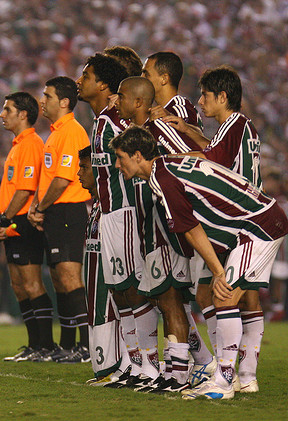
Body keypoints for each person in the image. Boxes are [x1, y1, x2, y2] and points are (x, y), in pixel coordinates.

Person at [111, 125, 288, 399]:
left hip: (258, 226)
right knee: (212, 295)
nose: (117, 164)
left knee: (225, 295)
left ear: (137, 155)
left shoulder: (163, 179)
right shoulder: (168, 166)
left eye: (120, 157)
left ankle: (225, 382)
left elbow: (191, 229)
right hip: (250, 224)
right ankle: (229, 376)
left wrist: (218, 271)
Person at [164, 65, 265, 379]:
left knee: (220, 293)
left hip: (238, 221)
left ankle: (231, 372)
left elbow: (212, 160)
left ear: (223, 97)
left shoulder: (234, 123)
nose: (201, 101)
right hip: (247, 219)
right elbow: (217, 151)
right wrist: (190, 131)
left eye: (206, 95)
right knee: (234, 295)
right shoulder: (237, 126)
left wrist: (170, 161)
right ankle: (242, 372)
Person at [115, 77, 214, 392]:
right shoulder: (137, 137)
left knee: (171, 299)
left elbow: (199, 158)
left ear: (139, 101)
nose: (117, 102)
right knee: (165, 299)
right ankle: (183, 368)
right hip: (149, 225)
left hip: (168, 228)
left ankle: (181, 373)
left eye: (122, 96)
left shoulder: (163, 130)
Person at [76, 53, 155, 386]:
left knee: (136, 292)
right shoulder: (101, 121)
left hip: (125, 214)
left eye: (86, 75)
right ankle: (131, 364)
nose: (80, 81)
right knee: (122, 293)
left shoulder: (113, 120)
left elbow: (139, 158)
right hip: (108, 214)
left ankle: (155, 365)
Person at [27, 76, 90, 363]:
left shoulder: (72, 132)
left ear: (64, 102)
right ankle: (68, 345)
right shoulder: (55, 133)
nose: (43, 100)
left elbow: (64, 179)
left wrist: (40, 206)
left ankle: (88, 345)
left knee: (70, 277)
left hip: (69, 210)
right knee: (60, 281)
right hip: (56, 211)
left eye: (47, 95)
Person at [0, 91, 53, 362]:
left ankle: (45, 345)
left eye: (7, 110)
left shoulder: (31, 144)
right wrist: (0, 215)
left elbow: (26, 188)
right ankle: (33, 345)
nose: (2, 115)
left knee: (32, 284)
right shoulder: (18, 145)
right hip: (12, 218)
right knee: (19, 285)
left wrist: (5, 218)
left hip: (24, 221)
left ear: (23, 114)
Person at [76, 145, 127, 384]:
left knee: (117, 313)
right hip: (95, 283)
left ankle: (123, 366)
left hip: (111, 280)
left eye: (84, 168)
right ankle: (109, 369)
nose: (78, 173)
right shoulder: (96, 205)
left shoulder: (111, 206)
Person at [141, 51, 204, 131]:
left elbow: (196, 140)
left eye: (146, 74)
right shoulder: (155, 111)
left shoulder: (180, 109)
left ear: (164, 79)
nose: (141, 78)